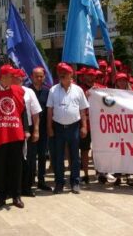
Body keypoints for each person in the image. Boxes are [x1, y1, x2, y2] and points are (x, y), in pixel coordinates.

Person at [0, 65, 29, 209]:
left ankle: (16, 196)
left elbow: (23, 112)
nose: (14, 78)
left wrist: (26, 129)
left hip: (15, 134)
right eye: (11, 76)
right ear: (2, 77)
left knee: (16, 166)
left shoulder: (18, 91)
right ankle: (1, 197)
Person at [47, 63, 89, 195]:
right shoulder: (53, 90)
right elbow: (50, 110)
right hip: (58, 127)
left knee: (75, 157)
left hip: (74, 127)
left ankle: (75, 182)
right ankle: (59, 183)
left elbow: (83, 110)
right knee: (58, 157)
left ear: (71, 75)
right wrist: (49, 127)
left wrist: (84, 126)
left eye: (65, 73)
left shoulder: (78, 90)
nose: (62, 75)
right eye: (61, 73)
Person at [12, 69, 42, 197]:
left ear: (23, 79)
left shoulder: (29, 92)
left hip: (28, 129)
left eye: (20, 77)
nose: (18, 79)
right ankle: (14, 188)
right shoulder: (7, 91)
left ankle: (27, 187)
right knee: (14, 160)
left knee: (29, 160)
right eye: (15, 77)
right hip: (12, 129)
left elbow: (35, 114)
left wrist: (36, 131)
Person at [29, 67, 53, 191]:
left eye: (41, 76)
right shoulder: (27, 90)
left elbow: (50, 109)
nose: (39, 78)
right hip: (30, 127)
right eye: (36, 76)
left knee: (43, 155)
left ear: (44, 76)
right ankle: (30, 179)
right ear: (31, 77)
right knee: (31, 155)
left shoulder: (48, 91)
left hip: (44, 128)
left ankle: (41, 180)